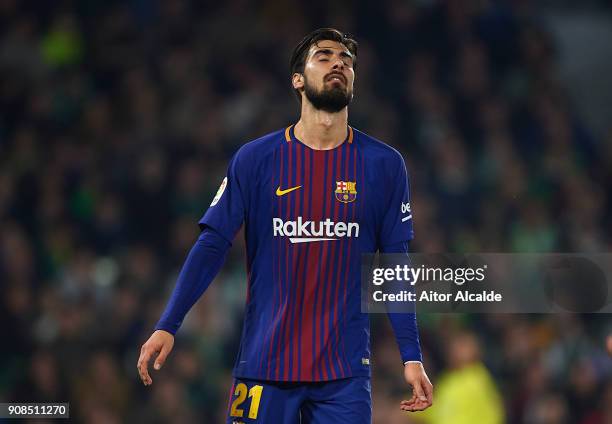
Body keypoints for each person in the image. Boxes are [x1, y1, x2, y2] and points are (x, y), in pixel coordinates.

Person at [137, 28, 433, 423]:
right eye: (324, 56)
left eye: (346, 60)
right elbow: (212, 244)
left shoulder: (384, 164)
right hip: (264, 367)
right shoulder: (255, 159)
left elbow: (395, 264)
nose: (338, 64)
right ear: (298, 78)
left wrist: (411, 355)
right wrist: (168, 324)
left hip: (343, 375)